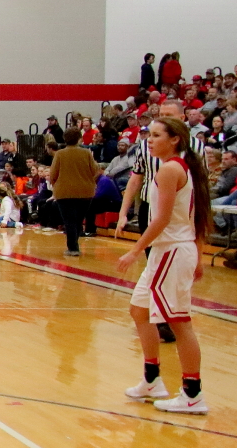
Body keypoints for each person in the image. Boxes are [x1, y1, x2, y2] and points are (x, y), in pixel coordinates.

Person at [119, 116, 212, 415]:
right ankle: (151, 380)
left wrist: (135, 250)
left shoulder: (170, 170)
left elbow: (161, 219)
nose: (150, 139)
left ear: (175, 139)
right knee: (139, 310)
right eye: (149, 135)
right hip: (169, 251)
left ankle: (192, 393)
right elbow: (195, 217)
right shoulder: (176, 168)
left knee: (178, 322)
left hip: (171, 251)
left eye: (157, 135)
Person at [49, 138, 98, 256]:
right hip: (85, 192)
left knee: (69, 221)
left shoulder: (60, 154)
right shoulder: (86, 153)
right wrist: (89, 181)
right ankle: (75, 245)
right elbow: (95, 170)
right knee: (78, 220)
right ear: (79, 139)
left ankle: (73, 248)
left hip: (64, 192)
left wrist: (56, 185)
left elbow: (53, 174)